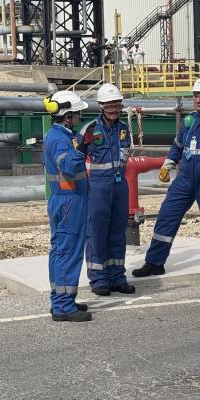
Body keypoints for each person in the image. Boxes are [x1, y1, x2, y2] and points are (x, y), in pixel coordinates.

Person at [131, 77, 200, 284]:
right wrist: (167, 166)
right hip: (185, 179)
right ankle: (155, 262)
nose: (198, 100)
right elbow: (178, 146)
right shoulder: (190, 121)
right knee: (166, 216)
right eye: (195, 96)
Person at [81, 83, 135, 297]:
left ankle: (117, 277)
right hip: (98, 186)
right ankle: (98, 278)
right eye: (109, 105)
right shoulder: (90, 129)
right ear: (101, 106)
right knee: (96, 233)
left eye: (117, 105)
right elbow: (77, 154)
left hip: (120, 184)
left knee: (117, 232)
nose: (114, 109)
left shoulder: (123, 129)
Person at [43, 91, 91, 322]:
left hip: (66, 199)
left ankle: (62, 298)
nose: (80, 117)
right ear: (67, 116)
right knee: (68, 252)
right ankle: (63, 306)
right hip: (68, 200)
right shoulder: (59, 139)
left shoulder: (62, 135)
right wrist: (82, 148)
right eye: (77, 114)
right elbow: (69, 168)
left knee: (62, 251)